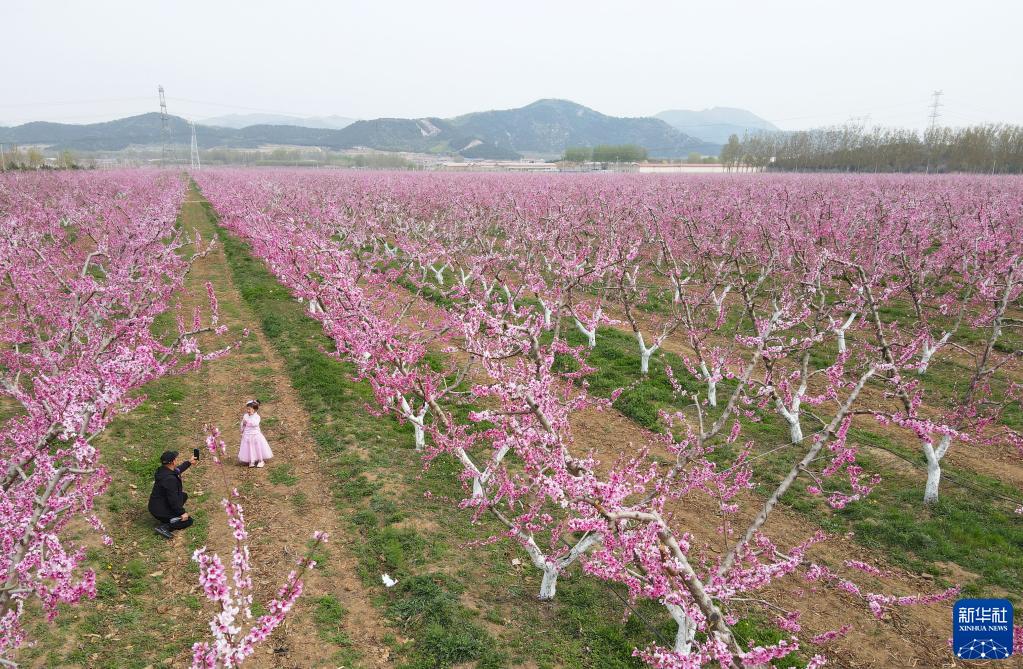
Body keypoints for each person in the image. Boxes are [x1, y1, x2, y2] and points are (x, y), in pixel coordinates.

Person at [148, 449, 197, 539]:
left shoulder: (163, 471)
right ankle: (165, 527)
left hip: (156, 504)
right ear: (173, 461)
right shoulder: (170, 480)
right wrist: (182, 513)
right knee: (188, 520)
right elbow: (173, 499)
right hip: (160, 510)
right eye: (176, 458)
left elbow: (178, 470)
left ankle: (171, 517)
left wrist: (189, 462)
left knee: (183, 496)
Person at [239, 399, 273, 468]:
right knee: (249, 447)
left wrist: (247, 422)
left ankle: (261, 460)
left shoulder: (257, 417)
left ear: (254, 410)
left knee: (257, 447)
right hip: (247, 435)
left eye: (249, 409)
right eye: (247, 409)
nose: (248, 411)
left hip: (255, 435)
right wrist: (243, 425)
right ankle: (252, 460)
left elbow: (255, 423)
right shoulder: (245, 416)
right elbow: (243, 423)